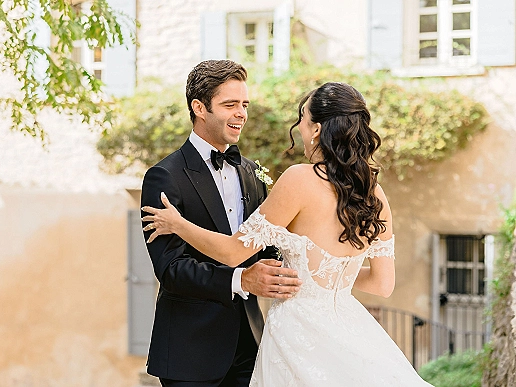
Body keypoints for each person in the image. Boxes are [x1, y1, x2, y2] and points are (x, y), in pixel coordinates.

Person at [142, 82, 434, 386]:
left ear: (318, 129)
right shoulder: (375, 194)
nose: (300, 131)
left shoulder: (298, 179)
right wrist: (329, 275)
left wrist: (178, 224)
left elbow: (232, 252)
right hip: (348, 329)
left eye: (303, 121)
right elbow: (382, 284)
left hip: (297, 332)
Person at [140, 59, 302, 387]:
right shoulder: (164, 177)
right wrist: (242, 280)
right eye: (229, 104)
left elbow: (263, 247)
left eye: (244, 104)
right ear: (199, 107)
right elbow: (171, 270)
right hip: (190, 351)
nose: (241, 113)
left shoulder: (252, 173)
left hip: (250, 341)